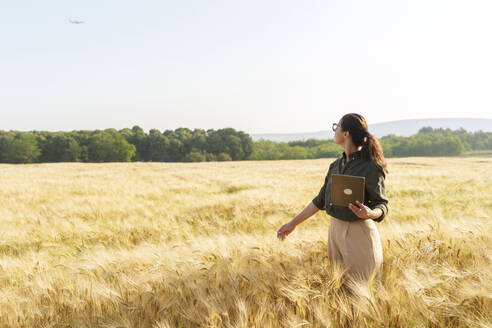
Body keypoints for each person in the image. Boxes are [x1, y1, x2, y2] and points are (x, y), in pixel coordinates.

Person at [276, 113, 389, 282]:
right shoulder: (335, 165)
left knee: (362, 291)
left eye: (337, 127)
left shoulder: (371, 167)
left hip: (359, 233)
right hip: (334, 230)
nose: (334, 131)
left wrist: (370, 214)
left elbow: (382, 205)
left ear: (346, 134)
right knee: (341, 291)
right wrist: (293, 224)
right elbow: (320, 200)